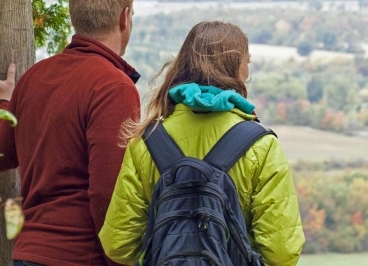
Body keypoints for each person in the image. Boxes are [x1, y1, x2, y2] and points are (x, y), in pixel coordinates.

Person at [99, 21, 305, 265]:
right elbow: (281, 252)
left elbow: (118, 245)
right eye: (247, 62)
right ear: (238, 68)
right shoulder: (261, 145)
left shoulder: (147, 141)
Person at [0, 0, 140, 266]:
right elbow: (108, 192)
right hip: (81, 255)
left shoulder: (35, 77)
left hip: (28, 252)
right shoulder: (113, 87)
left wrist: (1, 103)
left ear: (74, 17)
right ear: (125, 17)